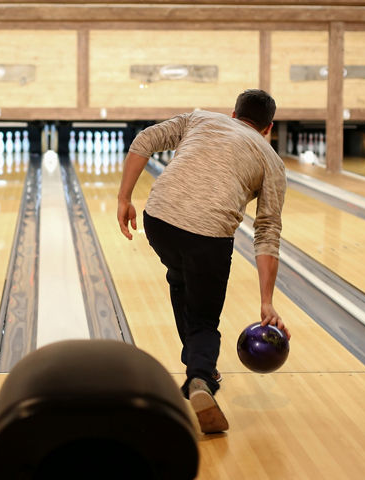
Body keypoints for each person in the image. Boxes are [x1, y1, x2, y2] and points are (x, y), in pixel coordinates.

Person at [116, 89, 290, 434]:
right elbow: (267, 231)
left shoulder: (200, 118)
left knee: (180, 277)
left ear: (233, 114)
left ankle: (198, 362)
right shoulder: (272, 161)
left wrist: (124, 198)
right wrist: (266, 301)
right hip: (208, 237)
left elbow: (144, 139)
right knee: (204, 320)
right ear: (268, 128)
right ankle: (201, 378)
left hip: (159, 221)